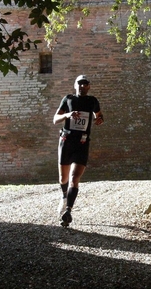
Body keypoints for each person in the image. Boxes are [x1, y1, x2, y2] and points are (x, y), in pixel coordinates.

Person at [53, 75, 104, 227]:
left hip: (82, 142)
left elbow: (99, 115)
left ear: (89, 86)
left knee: (75, 177)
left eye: (85, 84)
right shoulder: (68, 99)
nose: (82, 86)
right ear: (75, 85)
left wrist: (100, 119)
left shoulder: (92, 101)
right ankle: (64, 197)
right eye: (80, 84)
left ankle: (68, 211)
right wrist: (67, 115)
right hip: (66, 142)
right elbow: (55, 119)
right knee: (64, 178)